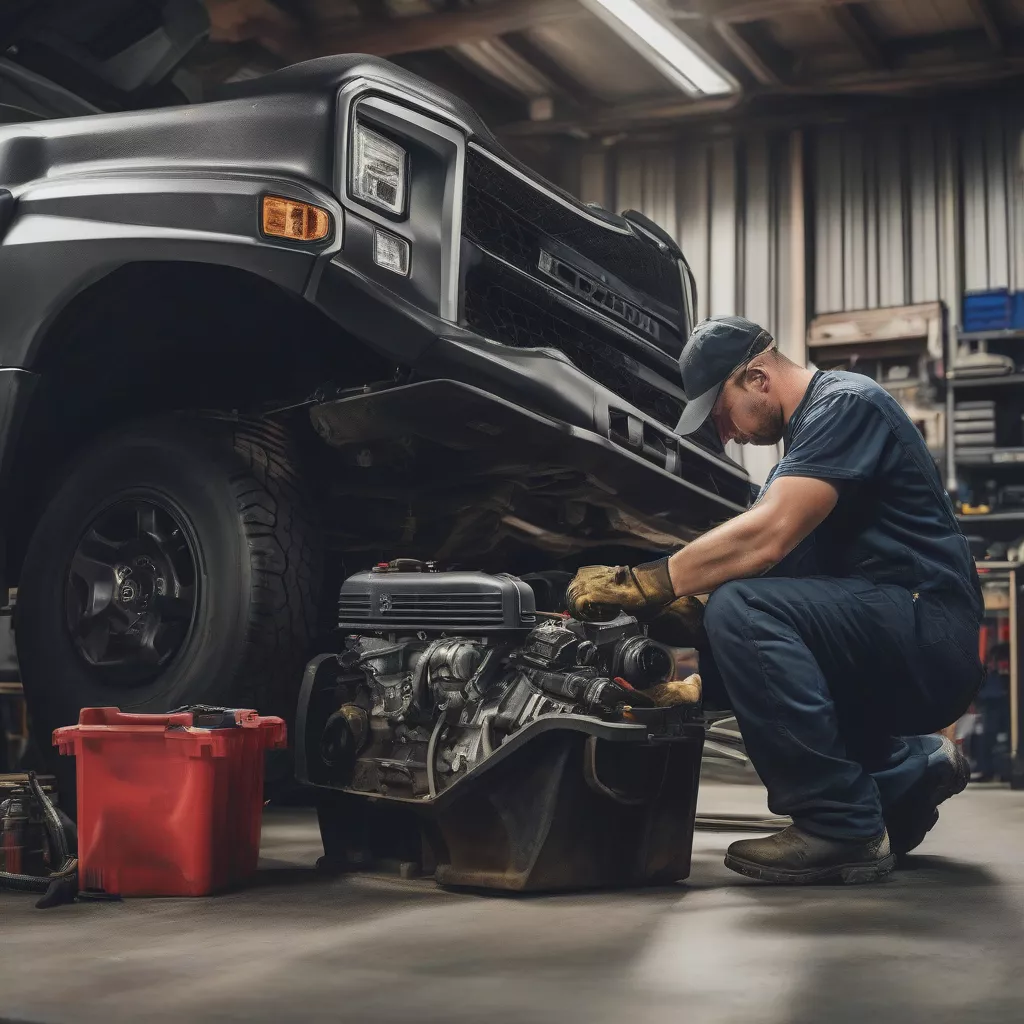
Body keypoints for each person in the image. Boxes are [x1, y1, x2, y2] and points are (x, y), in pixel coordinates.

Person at [568, 315, 982, 885]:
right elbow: (782, 587)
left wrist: (652, 581)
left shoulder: (845, 404)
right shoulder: (808, 449)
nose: (729, 436)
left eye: (722, 414)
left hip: (926, 632)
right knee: (737, 605)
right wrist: (701, 674)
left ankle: (841, 825)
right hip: (898, 634)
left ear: (757, 377)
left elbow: (767, 539)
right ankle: (906, 774)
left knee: (743, 606)